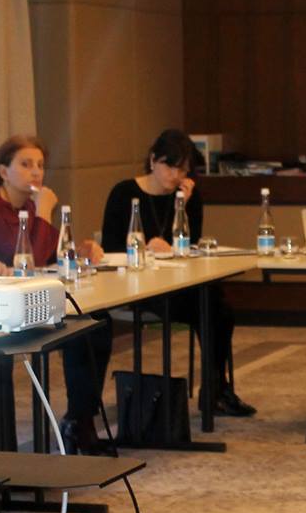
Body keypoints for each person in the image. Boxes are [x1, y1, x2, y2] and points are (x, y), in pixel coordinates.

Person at [0, 135, 115, 453]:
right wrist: (44, 212)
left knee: (96, 324)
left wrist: (81, 249)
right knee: (81, 328)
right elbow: (29, 259)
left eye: (41, 165)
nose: (36, 172)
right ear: (3, 171)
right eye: (26, 164)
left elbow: (54, 252)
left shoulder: (28, 205)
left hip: (27, 303)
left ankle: (80, 420)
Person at [100, 129, 254, 417]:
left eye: (182, 169)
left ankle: (215, 388)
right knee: (207, 306)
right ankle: (217, 389)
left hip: (177, 282)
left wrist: (182, 204)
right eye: (169, 166)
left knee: (218, 307)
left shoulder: (188, 196)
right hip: (138, 285)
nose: (175, 175)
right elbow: (109, 246)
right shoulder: (124, 193)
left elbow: (190, 244)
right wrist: (146, 249)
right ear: (153, 160)